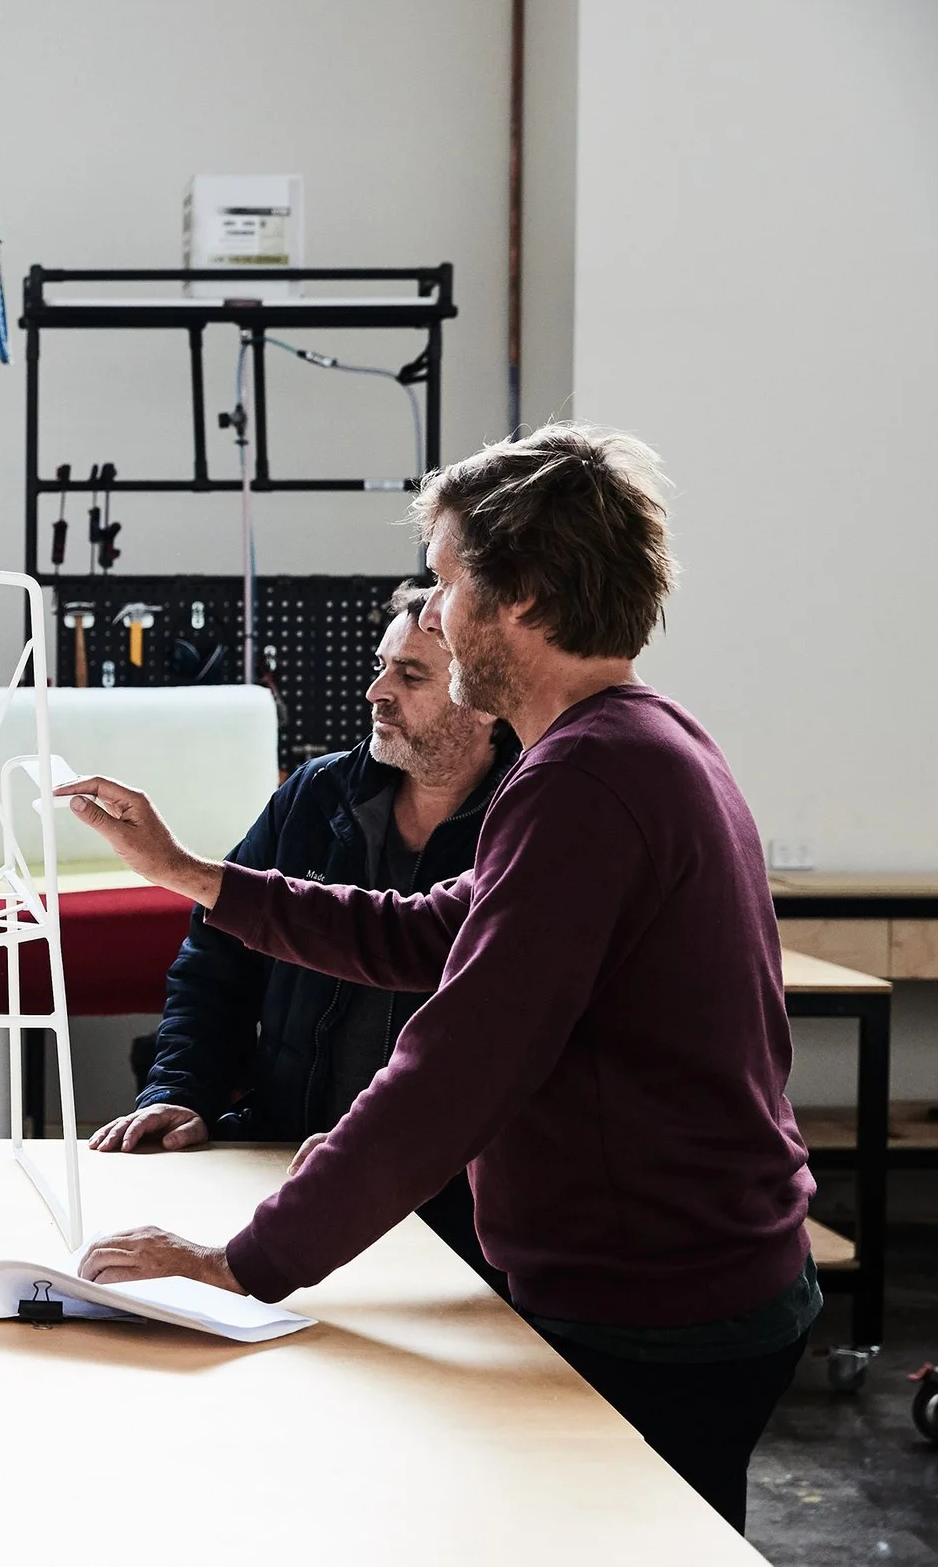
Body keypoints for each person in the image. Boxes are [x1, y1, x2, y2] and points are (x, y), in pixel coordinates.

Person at [55, 425, 815, 1533]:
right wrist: (193, 876)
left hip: (660, 1306)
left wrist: (245, 1259)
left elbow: (455, 1066)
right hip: (685, 1282)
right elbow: (427, 934)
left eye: (452, 582)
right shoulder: (619, 748)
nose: (435, 608)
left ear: (526, 597)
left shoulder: (590, 779)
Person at [89, 582, 516, 1292]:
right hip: (285, 1170)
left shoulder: (523, 823)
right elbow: (215, 961)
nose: (378, 691)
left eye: (410, 675)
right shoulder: (317, 796)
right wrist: (183, 1089)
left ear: (484, 701)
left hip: (449, 1213)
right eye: (381, 665)